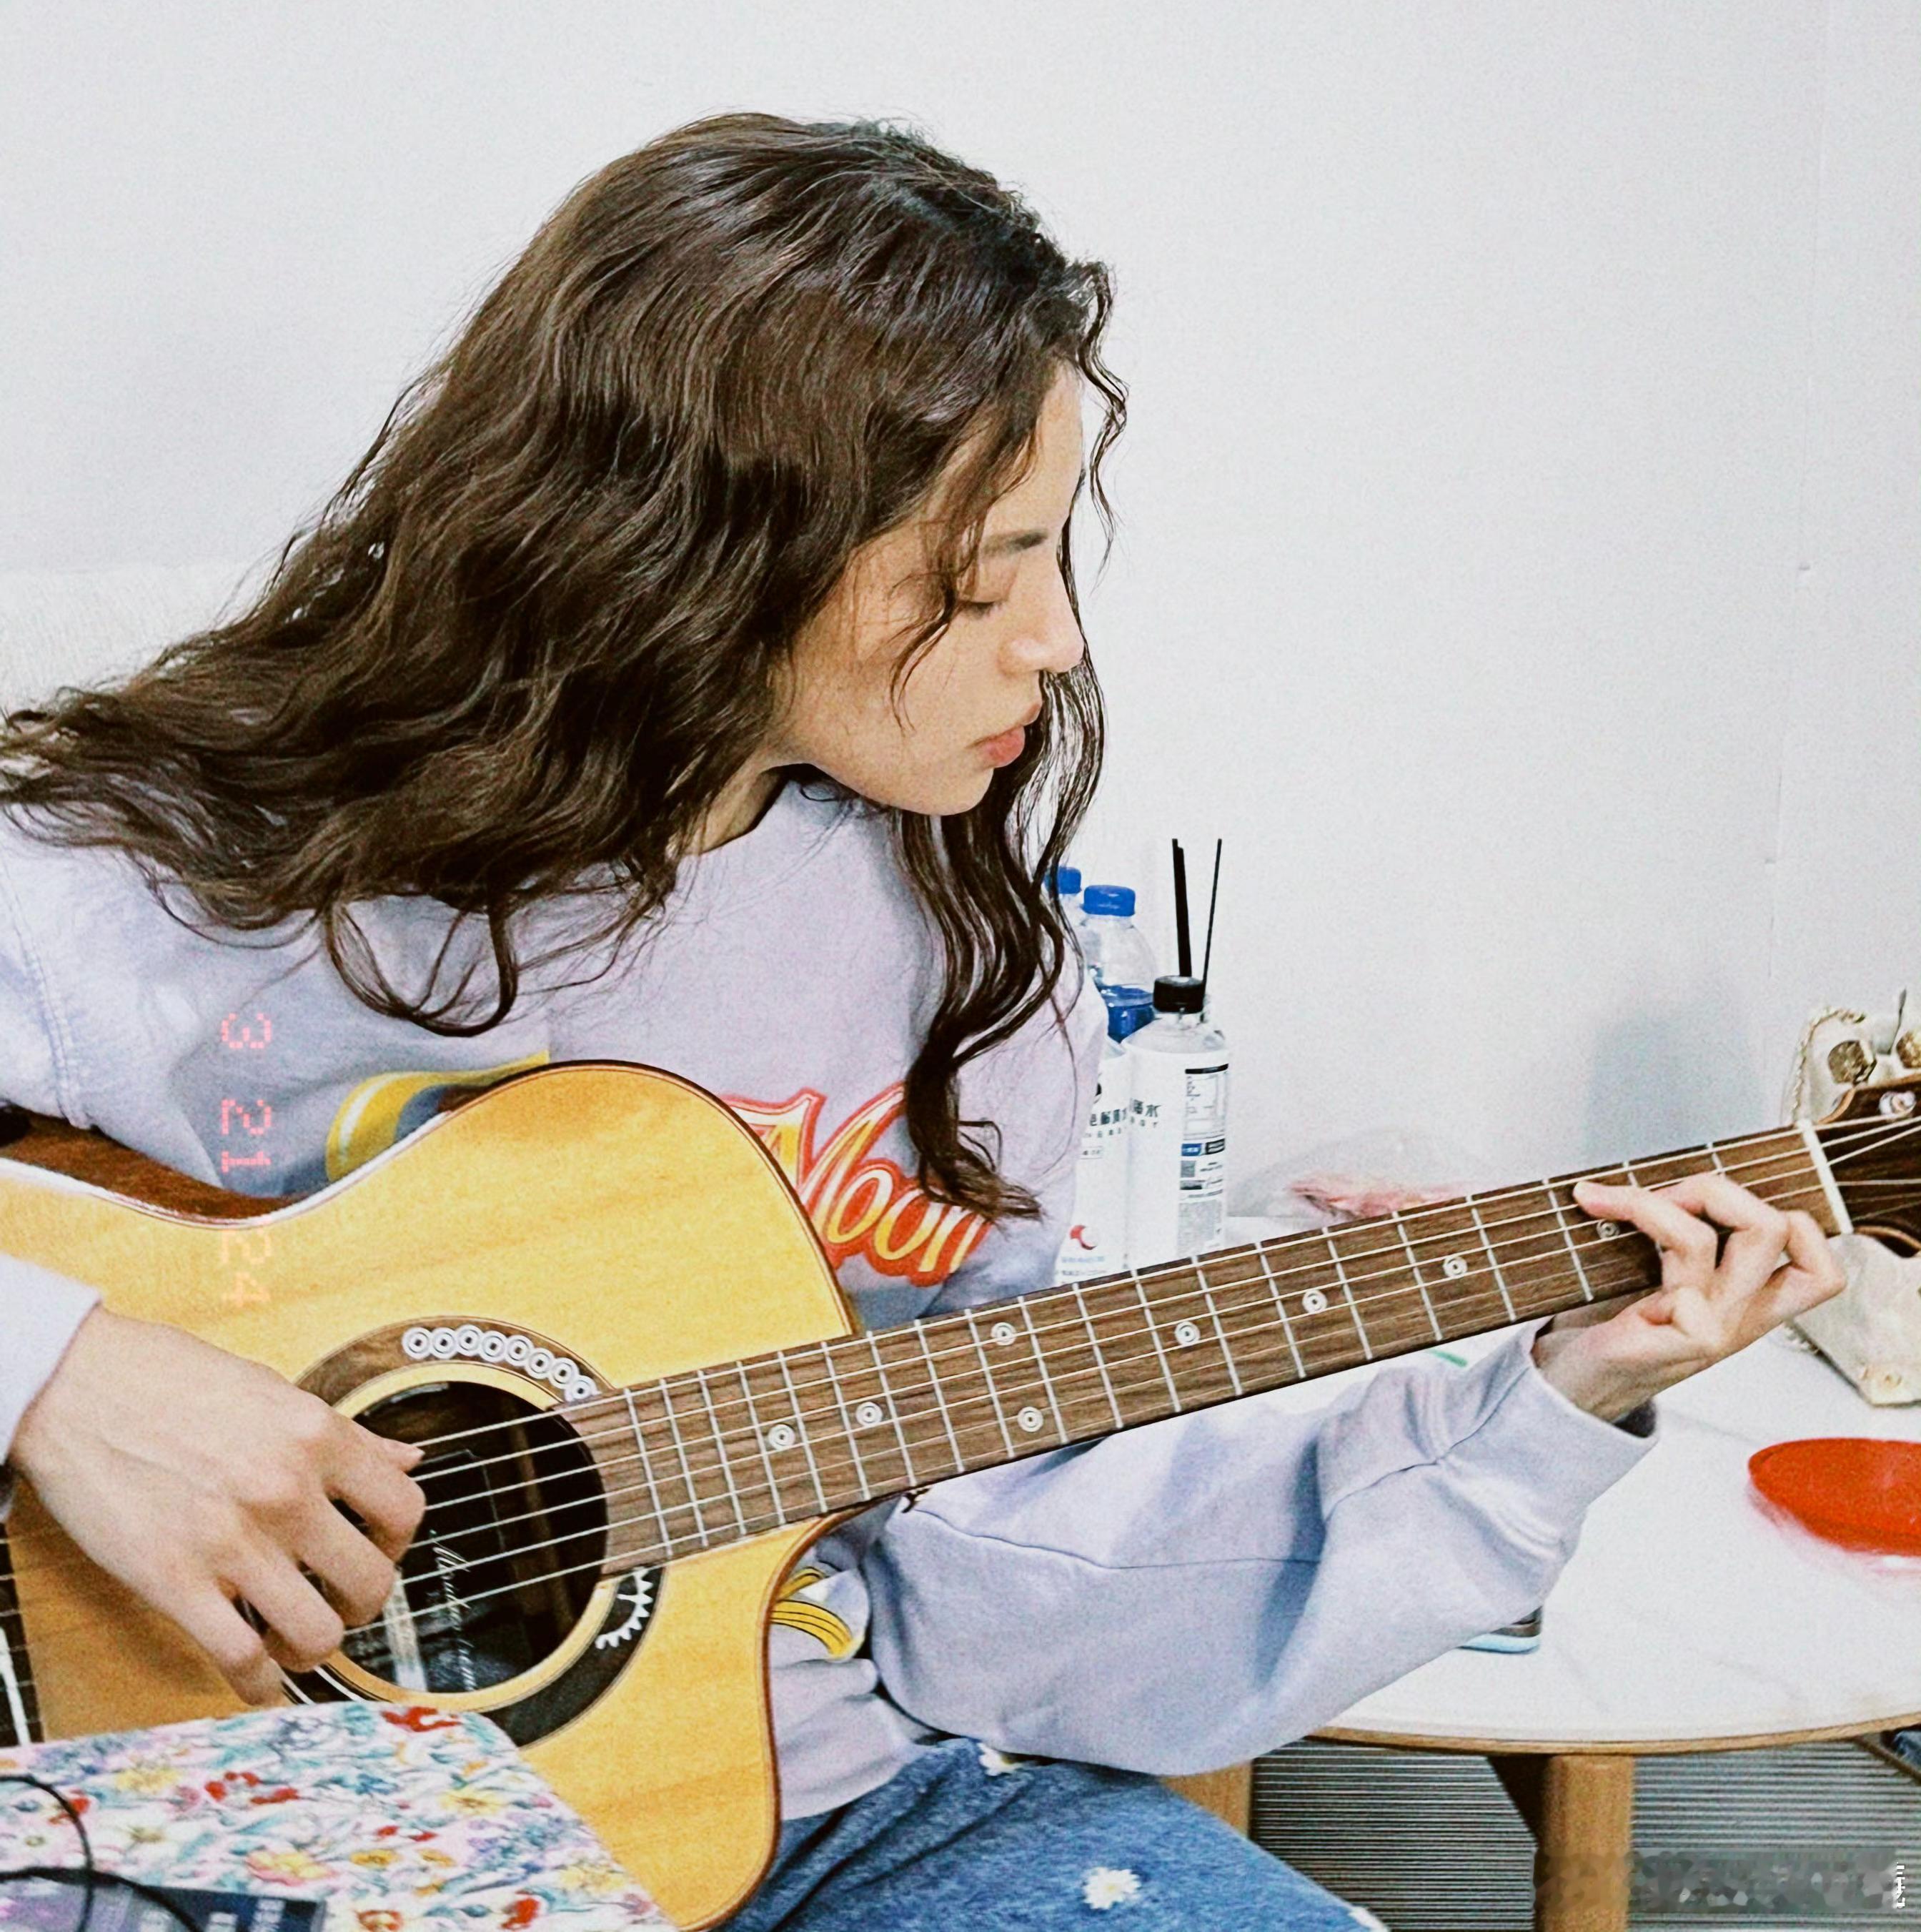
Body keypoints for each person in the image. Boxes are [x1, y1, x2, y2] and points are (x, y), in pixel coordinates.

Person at [0, 115, 1842, 1931]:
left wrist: (1550, 1403)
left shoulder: (970, 972)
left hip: (808, 1816)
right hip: (198, 1829)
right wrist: (63, 1376)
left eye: (1059, 550)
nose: (1057, 638)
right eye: (988, 565)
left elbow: (989, 1587)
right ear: (707, 544)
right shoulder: (155, 879)